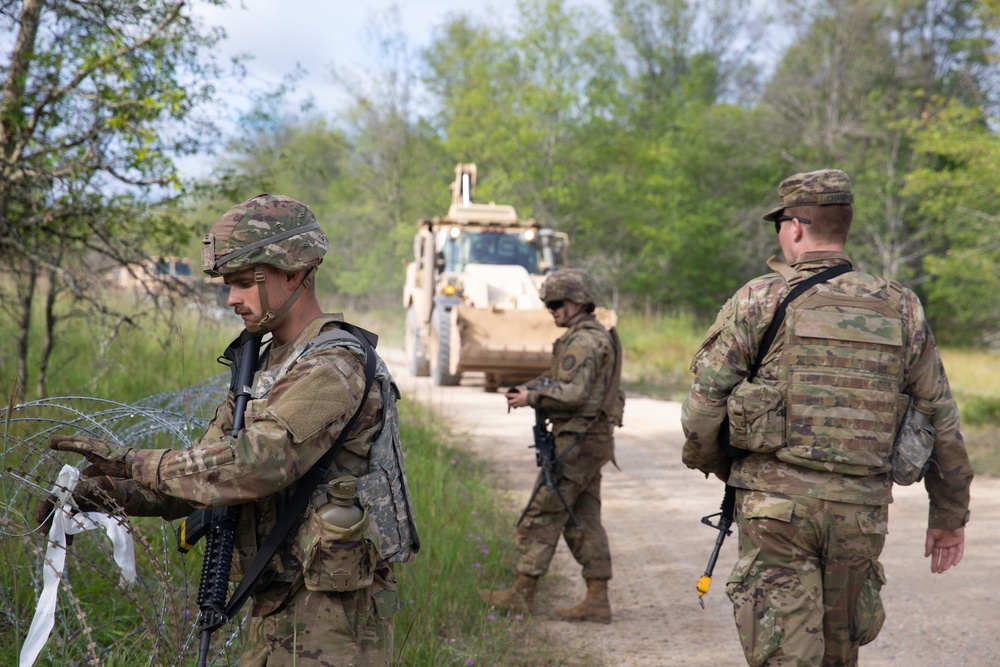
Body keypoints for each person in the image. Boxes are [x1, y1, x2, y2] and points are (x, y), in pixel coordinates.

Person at [36, 193, 418, 666]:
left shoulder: (333, 365)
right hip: (276, 600)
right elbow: (206, 477)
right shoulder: (266, 364)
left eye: (242, 283)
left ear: (293, 273)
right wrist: (108, 492)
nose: (231, 299)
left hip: (331, 620)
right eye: (228, 285)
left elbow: (256, 463)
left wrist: (134, 461)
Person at [680, 169, 973, 666]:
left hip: (775, 511)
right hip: (859, 513)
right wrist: (947, 515)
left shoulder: (759, 299)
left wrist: (720, 465)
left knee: (783, 654)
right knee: (840, 655)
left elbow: (704, 407)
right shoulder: (901, 306)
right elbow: (938, 414)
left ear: (795, 227)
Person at [480, 268, 624, 624]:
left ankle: (521, 594)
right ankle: (597, 600)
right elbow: (565, 380)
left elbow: (573, 393)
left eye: (556, 304)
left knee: (543, 513)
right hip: (589, 440)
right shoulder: (587, 336)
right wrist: (529, 387)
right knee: (582, 519)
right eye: (548, 305)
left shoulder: (585, 340)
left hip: (577, 441)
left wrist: (533, 397)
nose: (552, 311)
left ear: (577, 302)